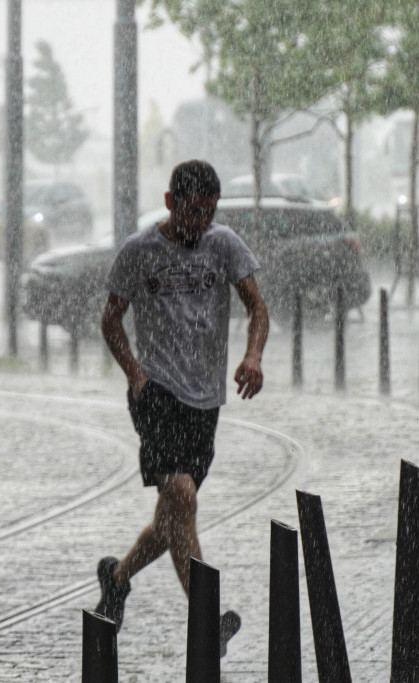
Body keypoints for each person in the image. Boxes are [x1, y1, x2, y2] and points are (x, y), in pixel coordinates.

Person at [96, 159, 269, 657]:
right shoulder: (139, 251)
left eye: (208, 213)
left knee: (173, 515)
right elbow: (111, 318)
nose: (200, 223)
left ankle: (118, 577)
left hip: (205, 398)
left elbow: (257, 306)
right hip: (157, 393)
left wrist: (253, 355)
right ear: (171, 203)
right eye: (192, 211)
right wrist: (134, 373)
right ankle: (206, 620)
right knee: (182, 496)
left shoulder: (224, 244)